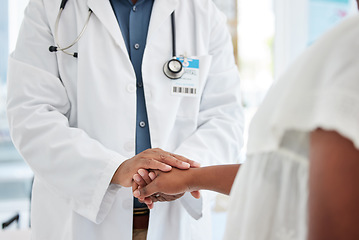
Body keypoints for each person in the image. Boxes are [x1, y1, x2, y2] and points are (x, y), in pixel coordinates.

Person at [6, 0, 244, 239]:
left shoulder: (201, 11)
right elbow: (31, 114)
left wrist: (184, 172)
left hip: (174, 220)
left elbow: (225, 117)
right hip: (82, 221)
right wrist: (113, 169)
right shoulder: (50, 8)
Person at [132, 6, 359, 240]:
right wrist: (187, 176)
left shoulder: (348, 49)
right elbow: (275, 172)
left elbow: (305, 182)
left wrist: (177, 170)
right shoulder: (341, 46)